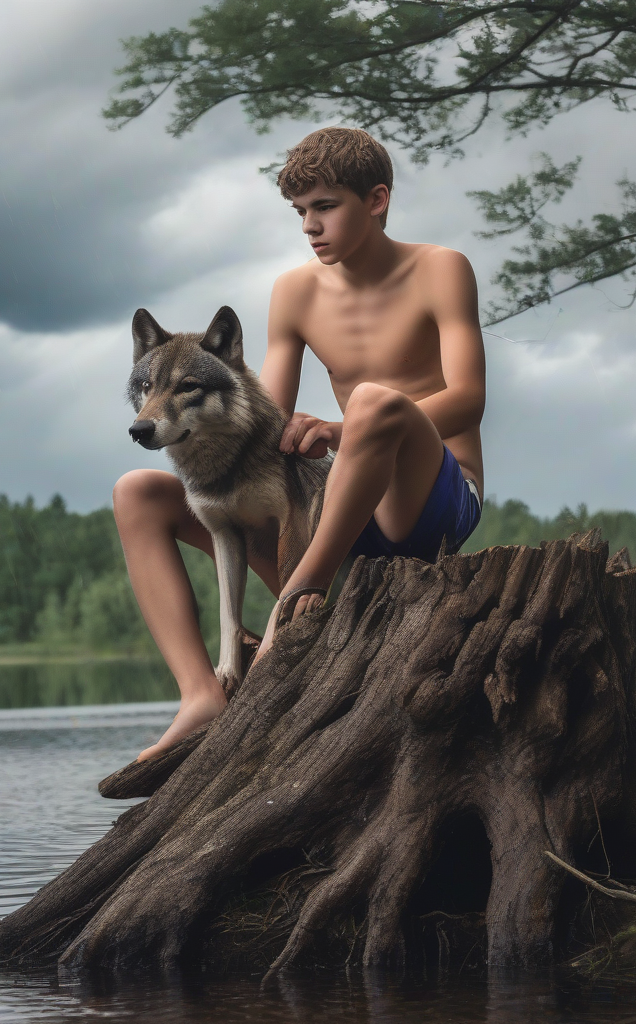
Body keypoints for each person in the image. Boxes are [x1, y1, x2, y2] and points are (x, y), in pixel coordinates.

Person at [113, 126, 485, 761]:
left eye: (326, 207)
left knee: (371, 401)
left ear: (377, 199)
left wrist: (343, 428)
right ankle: (202, 693)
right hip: (343, 504)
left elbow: (468, 398)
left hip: (429, 497)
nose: (310, 226)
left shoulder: (440, 269)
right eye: (300, 212)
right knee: (140, 492)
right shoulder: (294, 291)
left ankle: (296, 603)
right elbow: (269, 416)